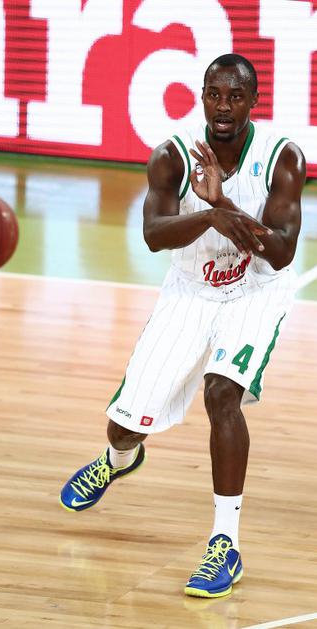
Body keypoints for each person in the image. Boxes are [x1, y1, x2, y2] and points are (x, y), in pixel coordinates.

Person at [59, 53, 306, 598]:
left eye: (235, 96)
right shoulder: (170, 155)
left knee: (222, 394)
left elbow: (282, 253)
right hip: (189, 292)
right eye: (214, 94)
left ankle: (225, 543)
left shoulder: (283, 158)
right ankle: (119, 459)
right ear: (202, 97)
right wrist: (211, 212)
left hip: (255, 292)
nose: (223, 107)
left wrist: (224, 203)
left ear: (254, 101)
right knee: (125, 427)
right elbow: (153, 235)